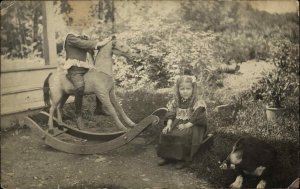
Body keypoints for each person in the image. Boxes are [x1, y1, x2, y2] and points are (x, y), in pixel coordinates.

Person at [156, 73, 208, 169]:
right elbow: (171, 114)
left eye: (188, 89)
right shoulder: (176, 101)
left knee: (182, 135)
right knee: (166, 133)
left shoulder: (197, 102)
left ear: (193, 89)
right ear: (178, 90)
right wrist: (168, 125)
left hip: (192, 125)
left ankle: (181, 158)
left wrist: (186, 125)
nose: (185, 92)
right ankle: (166, 156)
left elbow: (197, 117)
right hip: (177, 122)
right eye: (182, 89)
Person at [63, 31, 112, 129]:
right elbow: (84, 44)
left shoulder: (82, 37)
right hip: (74, 70)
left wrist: (104, 43)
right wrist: (100, 43)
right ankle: (78, 115)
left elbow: (91, 47)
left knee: (99, 81)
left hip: (85, 68)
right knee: (80, 87)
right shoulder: (71, 37)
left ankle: (99, 108)